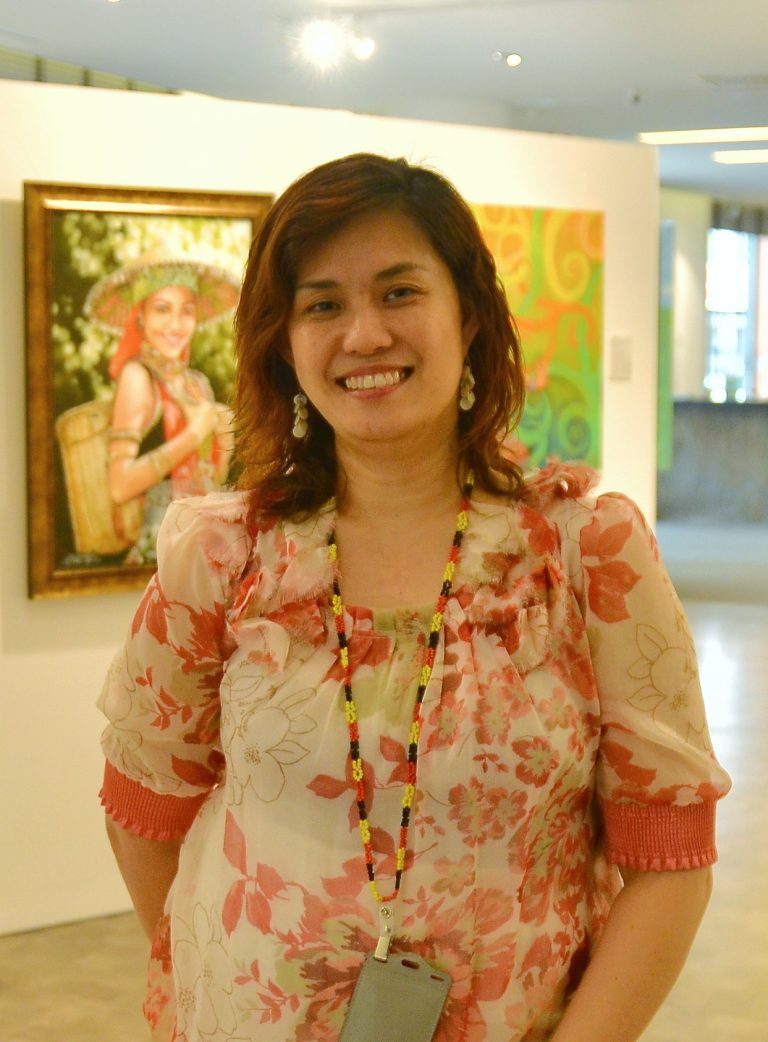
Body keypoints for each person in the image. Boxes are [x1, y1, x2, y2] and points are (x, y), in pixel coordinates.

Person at [98, 154, 731, 1042]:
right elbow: (145, 803)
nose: (364, 335)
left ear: (467, 316)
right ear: (285, 345)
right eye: (323, 305)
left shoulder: (584, 555)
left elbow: (670, 859)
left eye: (399, 293)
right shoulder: (222, 557)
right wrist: (224, 980)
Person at [85, 253, 239, 562]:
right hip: (159, 549)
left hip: (204, 545)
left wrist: (224, 439)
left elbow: (213, 481)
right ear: (140, 316)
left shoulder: (196, 384)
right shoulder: (137, 377)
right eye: (162, 309)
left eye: (187, 311)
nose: (175, 325)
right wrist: (194, 434)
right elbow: (119, 486)